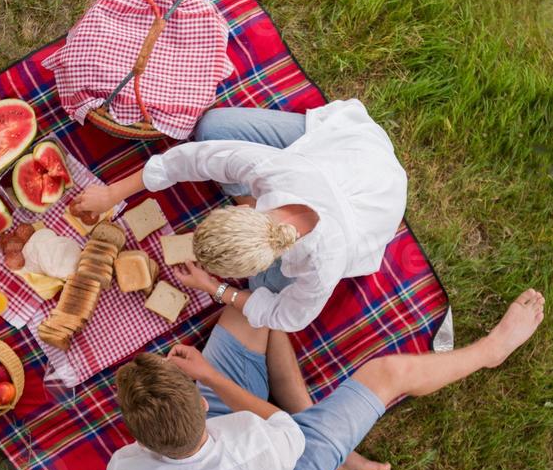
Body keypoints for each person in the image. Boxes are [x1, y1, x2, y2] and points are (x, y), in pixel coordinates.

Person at [100, 289, 545, 470]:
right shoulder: (250, 440)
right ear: (199, 402)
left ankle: (334, 442)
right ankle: (491, 351)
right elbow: (284, 431)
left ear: (137, 437)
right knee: (388, 372)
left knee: (255, 310)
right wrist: (210, 375)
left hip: (233, 447)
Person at [75, 100, 407, 332]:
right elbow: (194, 158)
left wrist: (215, 288)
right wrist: (111, 194)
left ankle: (254, 267)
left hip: (373, 202)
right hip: (342, 153)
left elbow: (287, 317)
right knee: (212, 128)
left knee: (265, 290)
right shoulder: (273, 168)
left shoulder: (322, 267)